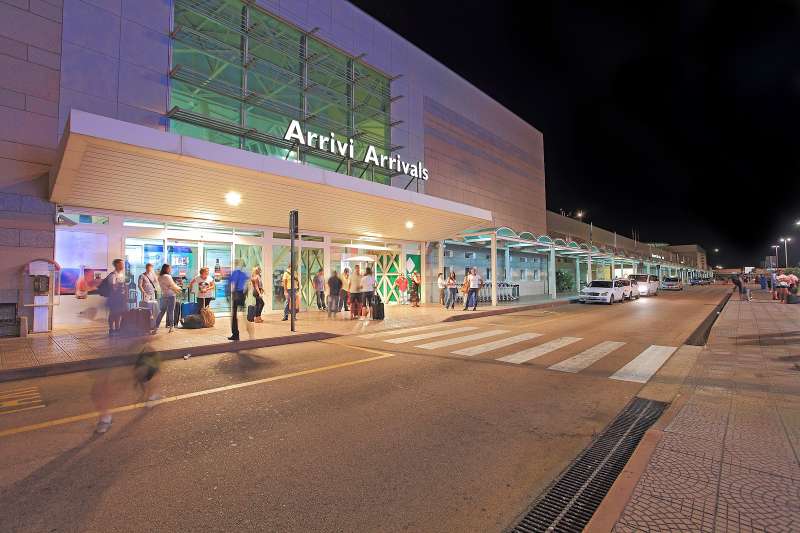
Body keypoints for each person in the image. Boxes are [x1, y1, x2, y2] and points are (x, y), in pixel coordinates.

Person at [155, 264, 183, 332]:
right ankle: (171, 327)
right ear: (167, 269)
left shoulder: (160, 277)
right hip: (171, 295)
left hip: (164, 295)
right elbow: (173, 285)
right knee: (171, 311)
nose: (171, 269)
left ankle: (156, 326)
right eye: (170, 268)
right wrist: (179, 288)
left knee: (162, 311)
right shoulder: (167, 276)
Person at [104, 258, 127, 335]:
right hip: (115, 298)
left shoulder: (121, 274)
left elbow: (124, 285)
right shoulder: (113, 275)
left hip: (121, 298)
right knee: (113, 313)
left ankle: (117, 328)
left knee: (119, 313)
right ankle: (111, 329)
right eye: (121, 264)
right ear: (117, 265)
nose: (123, 265)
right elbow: (113, 287)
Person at [228, 260, 249, 340]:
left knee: (234, 316)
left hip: (237, 294)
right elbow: (247, 285)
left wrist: (231, 294)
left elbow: (231, 284)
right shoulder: (244, 274)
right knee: (243, 315)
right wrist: (244, 293)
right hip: (241, 294)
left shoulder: (235, 273)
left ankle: (235, 334)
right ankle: (248, 331)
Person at [137, 262, 160, 333]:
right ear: (146, 268)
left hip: (152, 294)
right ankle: (145, 323)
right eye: (149, 267)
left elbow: (157, 281)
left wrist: (157, 275)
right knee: (146, 308)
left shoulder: (153, 275)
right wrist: (143, 292)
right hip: (146, 295)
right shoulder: (142, 276)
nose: (150, 269)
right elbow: (139, 285)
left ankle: (152, 324)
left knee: (153, 307)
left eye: (151, 267)